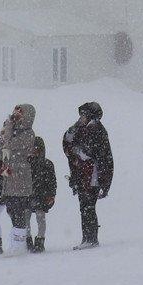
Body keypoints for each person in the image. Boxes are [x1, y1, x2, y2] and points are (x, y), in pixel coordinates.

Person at [62, 101, 113, 250]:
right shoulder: (80, 128)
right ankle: (87, 238)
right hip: (83, 174)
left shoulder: (97, 130)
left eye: (83, 115)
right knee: (84, 206)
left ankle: (91, 239)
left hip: (93, 176)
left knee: (88, 206)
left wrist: (105, 183)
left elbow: (100, 156)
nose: (81, 117)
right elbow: (67, 141)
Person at [0, 103, 37, 256]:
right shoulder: (11, 131)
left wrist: (7, 131)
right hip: (9, 180)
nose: (16, 116)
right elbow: (2, 152)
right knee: (12, 212)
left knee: (19, 213)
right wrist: (4, 136)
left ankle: (20, 245)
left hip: (20, 179)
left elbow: (10, 145)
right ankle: (17, 244)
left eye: (20, 113)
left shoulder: (28, 134)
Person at [27, 136, 57, 253]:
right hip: (27, 195)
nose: (33, 150)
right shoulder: (25, 163)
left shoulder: (47, 164)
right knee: (26, 218)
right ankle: (27, 240)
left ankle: (40, 240)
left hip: (42, 195)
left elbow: (52, 181)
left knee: (40, 218)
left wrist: (51, 195)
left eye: (35, 147)